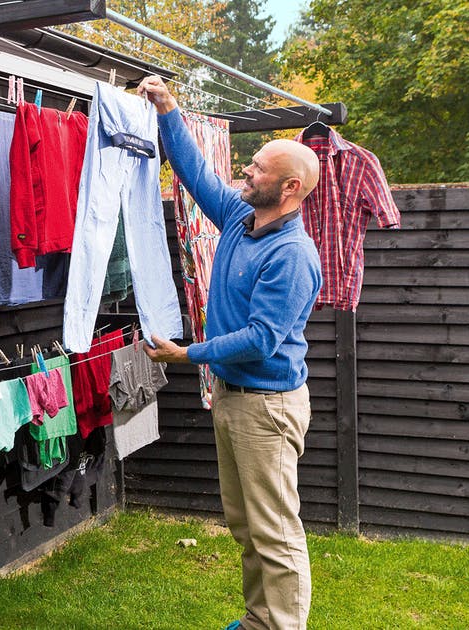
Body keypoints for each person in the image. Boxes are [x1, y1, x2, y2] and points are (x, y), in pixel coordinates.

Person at [136, 75, 322, 630]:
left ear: (288, 187)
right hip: (235, 399)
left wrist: (188, 353)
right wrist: (169, 109)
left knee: (276, 531)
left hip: (267, 407)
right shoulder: (243, 222)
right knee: (245, 525)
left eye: (258, 167)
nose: (246, 170)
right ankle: (259, 619)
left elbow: (260, 341)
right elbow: (196, 175)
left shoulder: (292, 254)